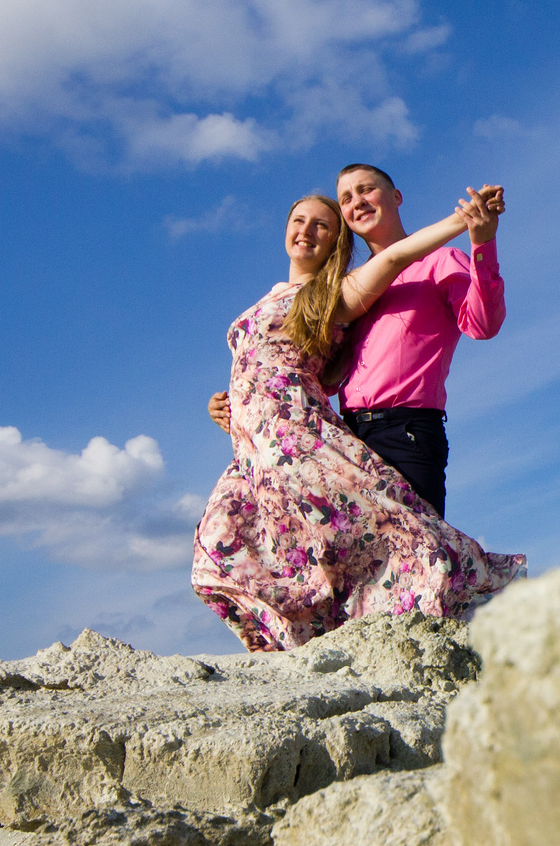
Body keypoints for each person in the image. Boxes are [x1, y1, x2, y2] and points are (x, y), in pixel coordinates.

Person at [192, 191, 523, 651]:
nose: (306, 230)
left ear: (336, 244)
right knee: (225, 543)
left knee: (384, 532)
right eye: (299, 220)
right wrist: (225, 406)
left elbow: (398, 256)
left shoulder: (330, 295)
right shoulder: (272, 298)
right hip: (252, 448)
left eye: (321, 225)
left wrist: (464, 222)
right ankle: (292, 643)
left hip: (295, 436)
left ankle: (462, 602)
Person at [326, 163, 506, 517]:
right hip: (346, 436)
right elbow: (325, 375)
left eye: (366, 189)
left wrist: (483, 244)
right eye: (346, 198)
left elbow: (483, 325)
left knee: (420, 556)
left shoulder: (441, 261)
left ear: (396, 197)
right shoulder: (349, 289)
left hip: (406, 432)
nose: (357, 201)